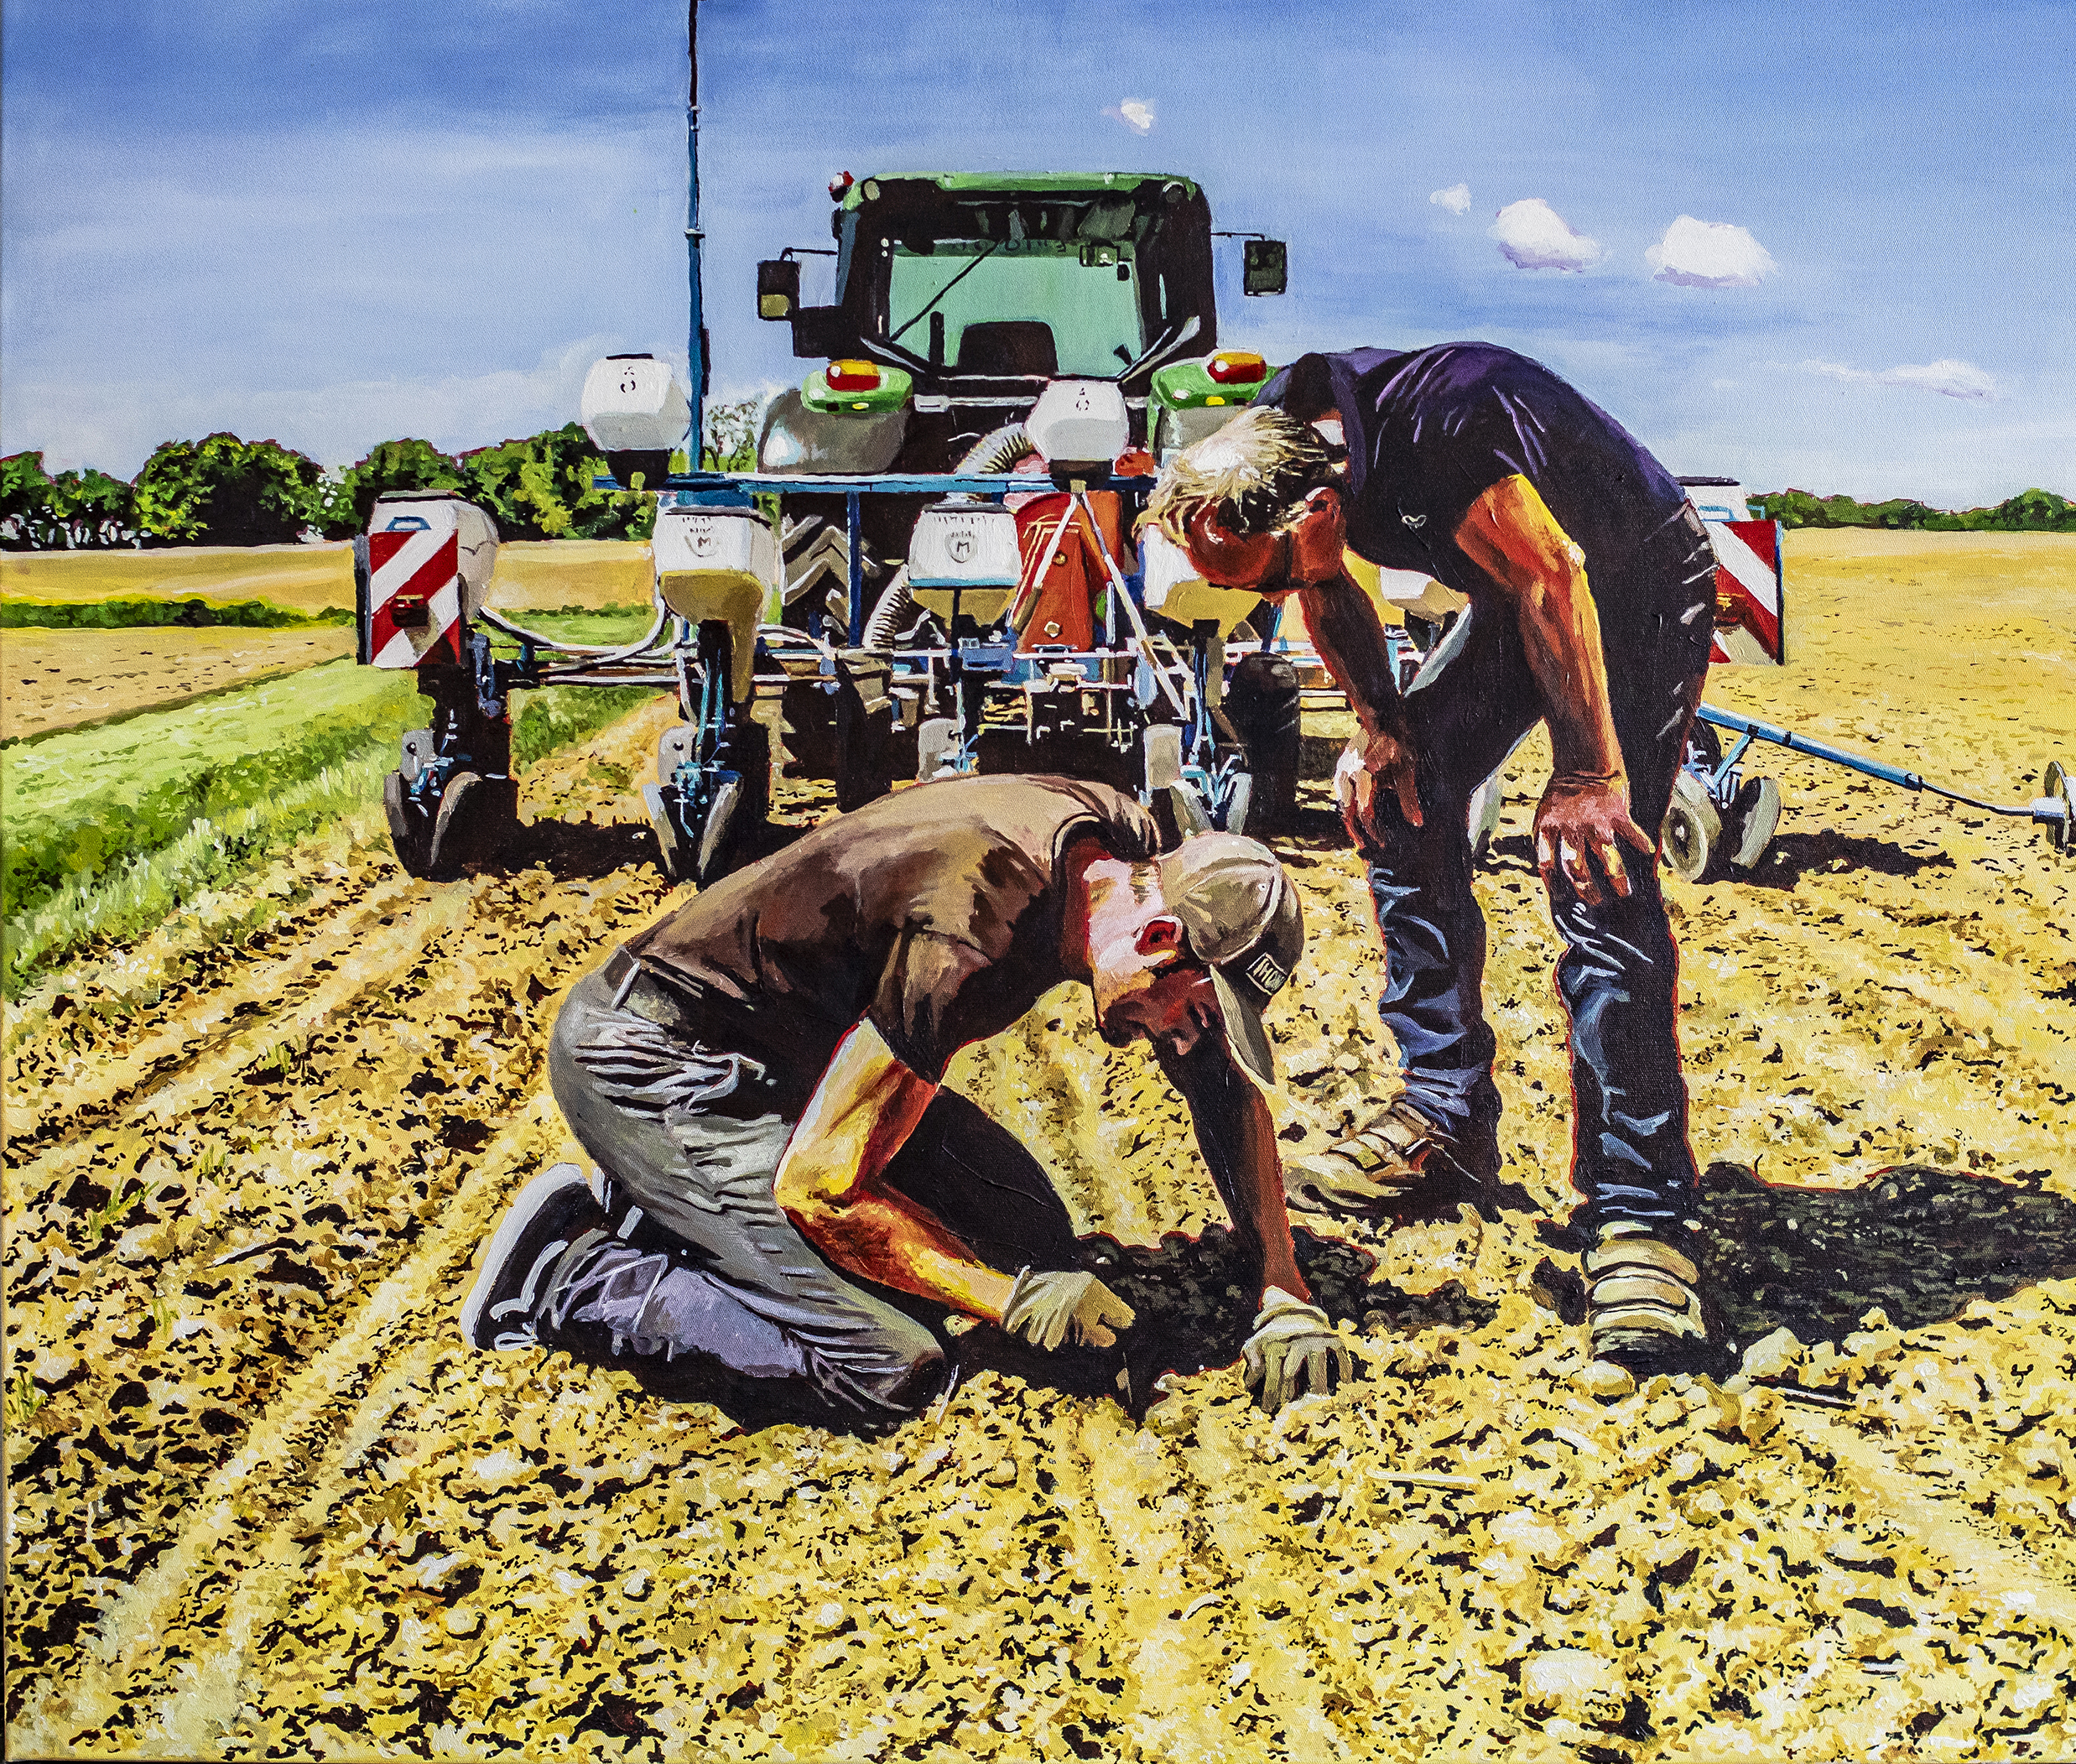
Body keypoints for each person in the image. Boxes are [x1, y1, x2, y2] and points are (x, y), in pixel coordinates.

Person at [1147, 344, 1722, 1373]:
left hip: (1627, 577)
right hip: (1520, 585)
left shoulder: (1444, 423)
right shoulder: (1281, 431)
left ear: (1317, 508)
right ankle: (1444, 1117)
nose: (1271, 602)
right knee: (1402, 801)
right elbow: (1324, 581)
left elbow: (1556, 573)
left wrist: (1586, 774)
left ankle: (1640, 1212)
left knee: (1595, 858)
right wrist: (1380, 724)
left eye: (1266, 578)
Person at [460, 775, 1350, 1426]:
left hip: (797, 1057)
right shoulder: (971, 926)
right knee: (888, 1363)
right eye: (1194, 1010)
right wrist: (1008, 1302)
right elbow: (822, 1187)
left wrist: (1282, 1287)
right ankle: (568, 1268)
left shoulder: (1121, 852)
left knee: (1028, 1232)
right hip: (659, 1056)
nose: (1183, 1037)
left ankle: (682, 1211)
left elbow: (1217, 1082)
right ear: (1158, 938)